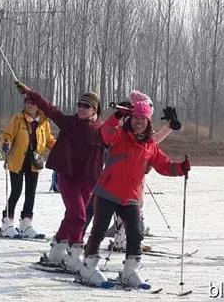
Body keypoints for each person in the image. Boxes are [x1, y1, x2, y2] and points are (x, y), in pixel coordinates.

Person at [79, 100, 190, 288]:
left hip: (130, 196)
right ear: (130, 119)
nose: (139, 122)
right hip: (108, 191)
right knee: (99, 230)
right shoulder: (119, 135)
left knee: (136, 233)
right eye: (136, 118)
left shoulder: (150, 145)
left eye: (143, 119)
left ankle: (130, 271)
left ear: (148, 122)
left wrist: (180, 168)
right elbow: (105, 132)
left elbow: (163, 165)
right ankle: (89, 267)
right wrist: (117, 116)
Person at [15, 81, 105, 273]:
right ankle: (74, 255)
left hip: (88, 180)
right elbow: (49, 107)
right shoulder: (69, 123)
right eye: (79, 105)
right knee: (79, 217)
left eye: (86, 106)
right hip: (68, 177)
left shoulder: (102, 130)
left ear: (94, 109)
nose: (81, 109)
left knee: (70, 216)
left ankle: (56, 253)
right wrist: (31, 92)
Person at [0, 96, 56, 238]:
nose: (29, 105)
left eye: (33, 103)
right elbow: (7, 134)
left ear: (38, 106)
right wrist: (6, 142)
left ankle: (26, 222)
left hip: (34, 162)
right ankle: (7, 222)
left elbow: (49, 139)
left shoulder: (43, 122)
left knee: (31, 192)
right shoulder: (18, 118)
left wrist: (59, 147)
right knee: (16, 191)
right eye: (27, 103)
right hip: (17, 161)